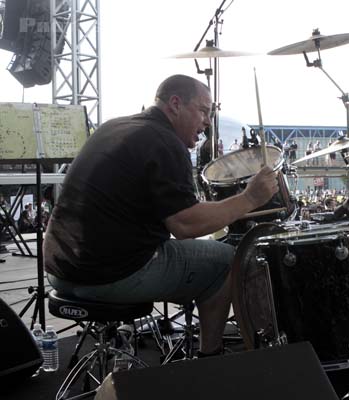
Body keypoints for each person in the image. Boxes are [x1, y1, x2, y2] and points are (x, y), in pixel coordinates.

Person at [43, 75, 279, 356]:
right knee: (229, 260)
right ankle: (212, 360)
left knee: (204, 253)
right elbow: (185, 225)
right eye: (203, 111)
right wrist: (250, 198)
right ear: (175, 104)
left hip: (59, 270)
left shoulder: (113, 127)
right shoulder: (164, 142)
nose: (207, 122)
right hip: (107, 276)